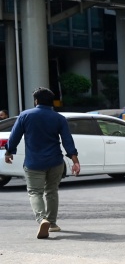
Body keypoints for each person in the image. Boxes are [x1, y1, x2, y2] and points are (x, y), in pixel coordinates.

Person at [3, 87, 81, 239]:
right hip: (55, 161)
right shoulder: (59, 118)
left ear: (36, 101)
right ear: (52, 102)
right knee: (51, 191)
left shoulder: (25, 115)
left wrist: (9, 152)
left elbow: (14, 137)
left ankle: (42, 219)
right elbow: (67, 140)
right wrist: (74, 160)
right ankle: (51, 223)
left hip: (34, 162)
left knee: (35, 192)